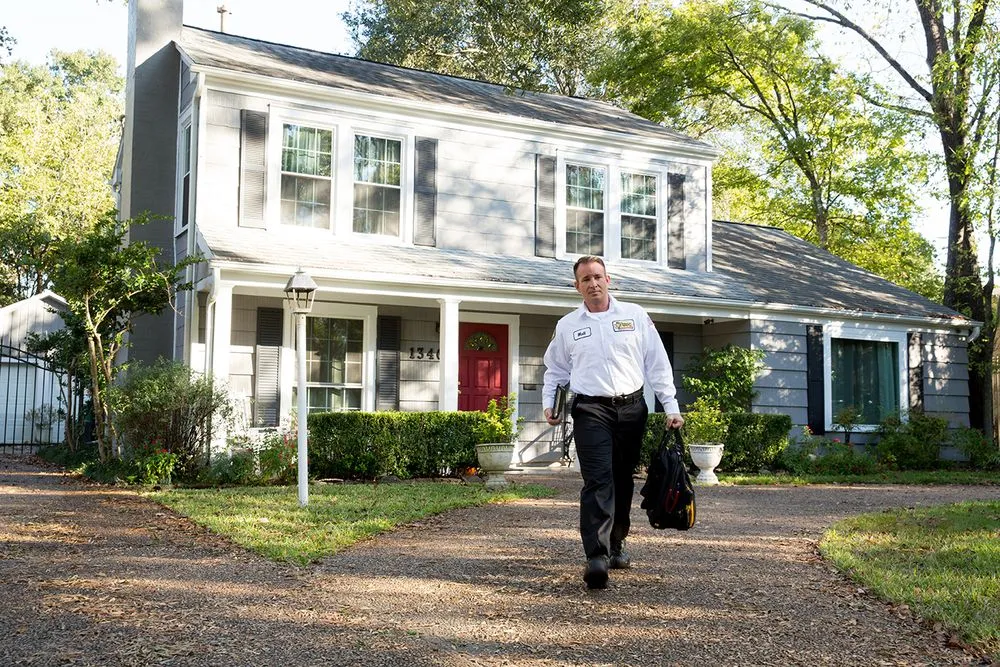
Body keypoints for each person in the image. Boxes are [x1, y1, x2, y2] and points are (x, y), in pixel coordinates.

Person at [542, 255, 684, 590]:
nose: (593, 283)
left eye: (597, 277)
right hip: (590, 410)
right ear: (577, 286)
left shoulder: (635, 316)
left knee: (622, 479)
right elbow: (556, 370)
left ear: (608, 280)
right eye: (585, 279)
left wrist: (671, 406)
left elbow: (657, 365)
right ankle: (596, 556)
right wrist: (550, 404)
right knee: (598, 479)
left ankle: (617, 543)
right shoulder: (568, 325)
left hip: (632, 409)